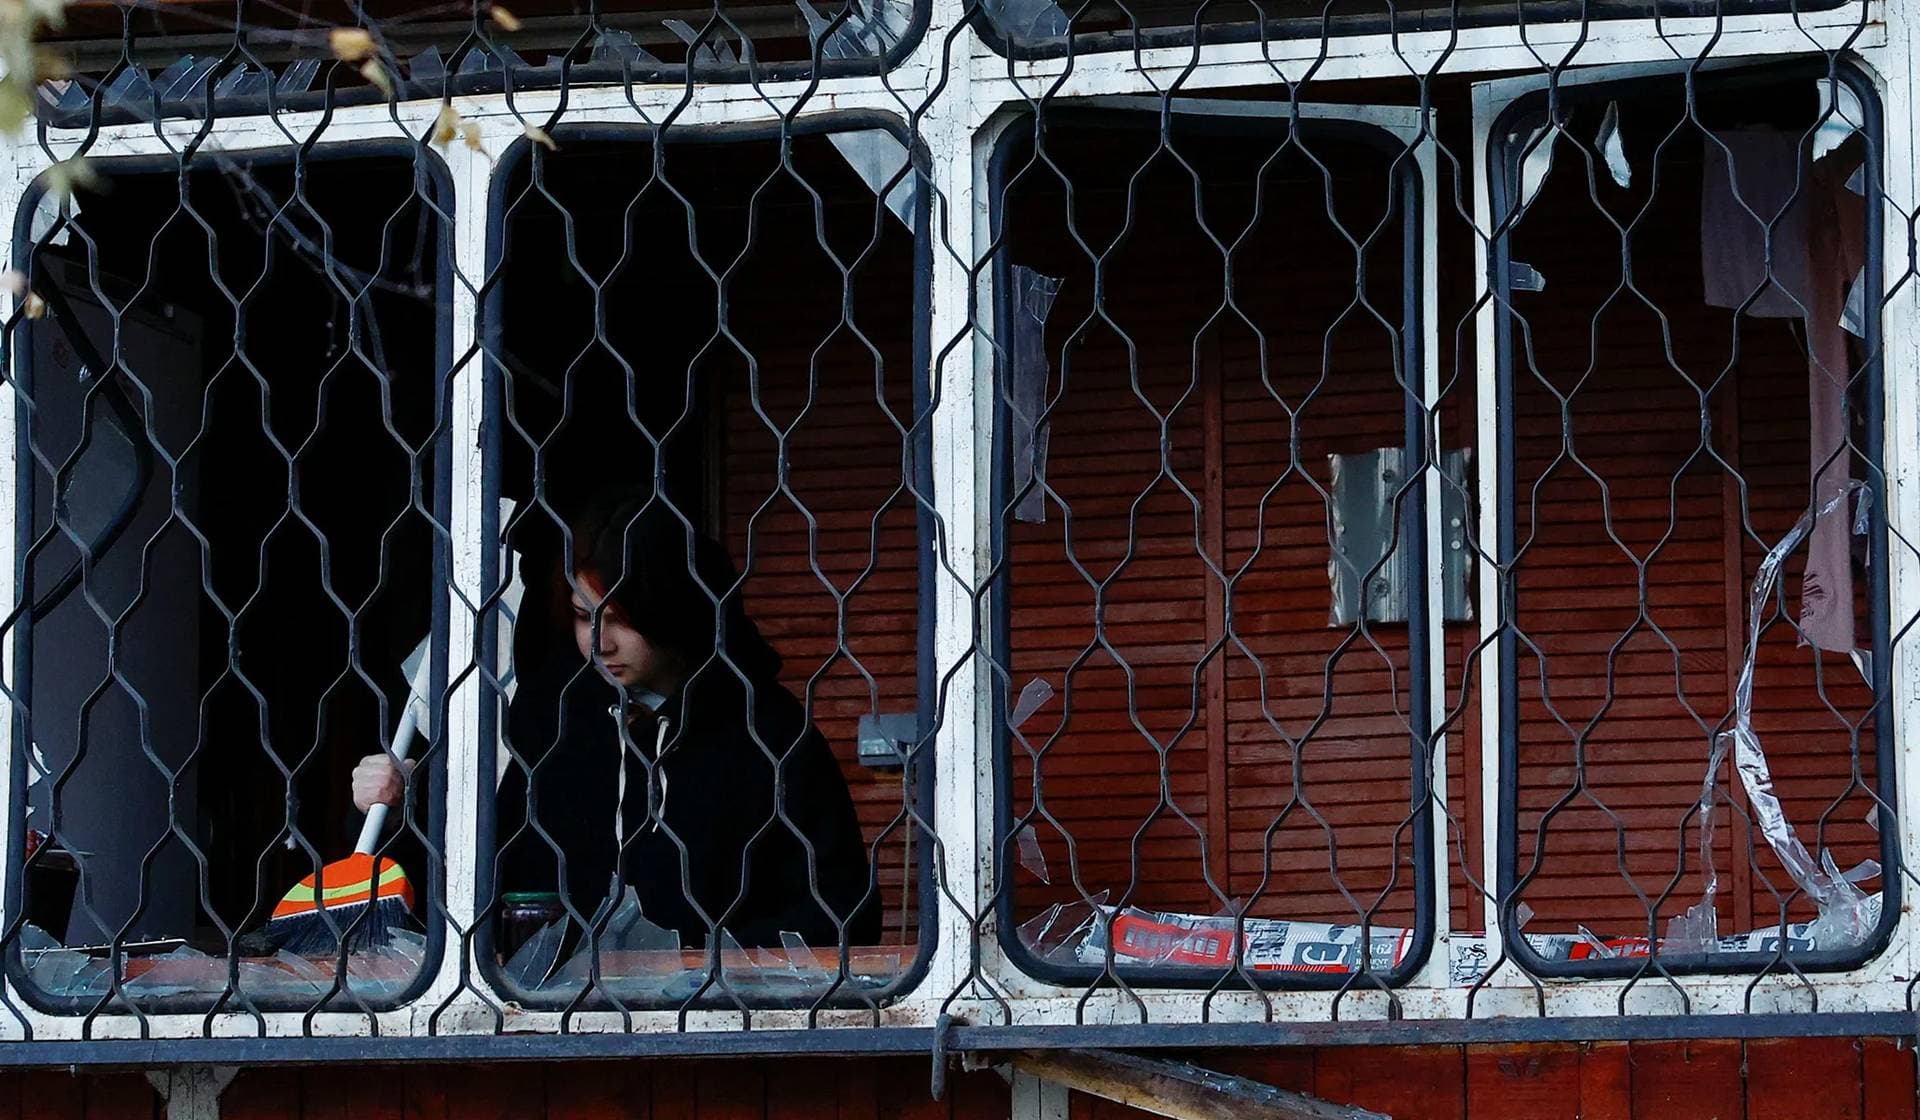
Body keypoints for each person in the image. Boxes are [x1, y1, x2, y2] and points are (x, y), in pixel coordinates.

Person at [352, 489, 882, 950]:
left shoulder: (769, 735)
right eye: (584, 617)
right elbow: (482, 883)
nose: (600, 643)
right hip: (553, 1027)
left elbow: (844, 918)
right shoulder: (552, 719)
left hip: (716, 1032)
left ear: (672, 610)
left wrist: (696, 962)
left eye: (622, 620)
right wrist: (406, 811)